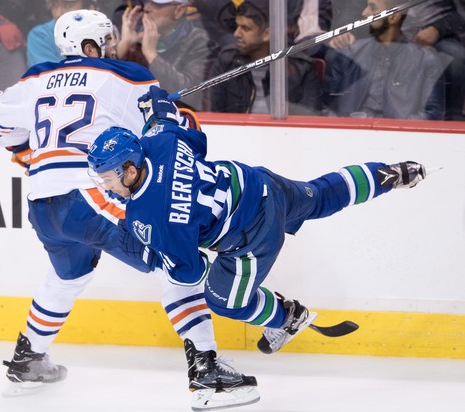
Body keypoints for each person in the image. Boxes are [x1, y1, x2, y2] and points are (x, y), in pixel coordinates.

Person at [0, 9, 258, 411]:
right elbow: (179, 134)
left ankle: (29, 358)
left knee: (67, 275)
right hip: (90, 195)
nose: (112, 48)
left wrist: (28, 149)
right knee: (175, 258)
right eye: (105, 42)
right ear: (89, 47)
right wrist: (171, 112)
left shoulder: (34, 78)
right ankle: (206, 373)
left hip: (42, 202)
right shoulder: (126, 76)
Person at [87, 85, 428, 356]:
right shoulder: (159, 142)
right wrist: (160, 108)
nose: (104, 184)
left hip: (251, 236)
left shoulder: (148, 218)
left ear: (131, 170)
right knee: (320, 195)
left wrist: (157, 251)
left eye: (108, 177)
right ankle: (392, 174)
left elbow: (189, 272)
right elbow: (188, 134)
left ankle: (287, 317)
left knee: (223, 301)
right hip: (259, 184)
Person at [321, 0, 446, 120]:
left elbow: (431, 116)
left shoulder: (425, 61)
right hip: (350, 136)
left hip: (399, 138)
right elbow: (326, 109)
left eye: (373, 7)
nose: (364, 13)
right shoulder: (349, 54)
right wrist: (348, 126)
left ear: (393, 17)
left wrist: (393, 131)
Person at [210, 0, 321, 115]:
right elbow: (216, 115)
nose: (236, 34)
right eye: (237, 26)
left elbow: (308, 118)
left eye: (245, 28)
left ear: (267, 34)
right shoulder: (227, 62)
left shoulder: (302, 68)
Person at [116, 0, 217, 111]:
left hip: (178, 120)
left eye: (157, 4)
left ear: (179, 10)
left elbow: (190, 94)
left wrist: (151, 55)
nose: (146, 8)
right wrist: (124, 46)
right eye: (146, 2)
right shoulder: (137, 37)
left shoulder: (200, 42)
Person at [26, 0, 98, 68]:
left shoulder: (103, 32)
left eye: (67, 6)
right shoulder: (40, 35)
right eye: (55, 5)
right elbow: (48, 77)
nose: (58, 13)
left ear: (90, 7)